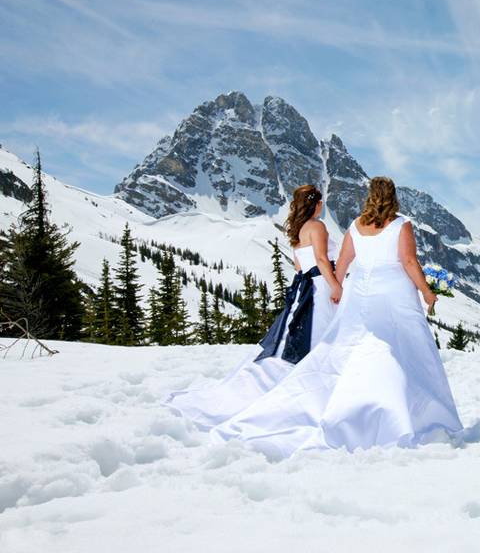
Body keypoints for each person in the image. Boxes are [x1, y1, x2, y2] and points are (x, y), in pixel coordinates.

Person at [211, 176, 463, 457]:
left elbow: (342, 261)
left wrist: (338, 288)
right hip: (395, 294)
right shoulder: (400, 225)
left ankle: (360, 405)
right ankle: (401, 413)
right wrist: (427, 292)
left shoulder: (356, 225)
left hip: (362, 294)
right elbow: (408, 261)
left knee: (361, 345)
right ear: (393, 197)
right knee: (403, 347)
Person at [165, 185, 340, 429]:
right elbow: (321, 260)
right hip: (319, 288)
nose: (322, 206)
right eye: (320, 202)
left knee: (300, 336)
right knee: (321, 337)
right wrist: (336, 286)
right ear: (315, 203)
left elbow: (299, 268)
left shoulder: (298, 231)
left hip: (304, 289)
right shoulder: (317, 226)